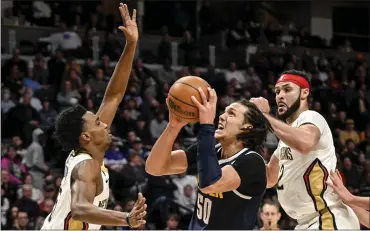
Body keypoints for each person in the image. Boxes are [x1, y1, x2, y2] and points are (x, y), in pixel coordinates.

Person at [41, 4, 146, 230]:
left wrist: (130, 45)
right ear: (86, 137)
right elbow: (79, 207)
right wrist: (126, 218)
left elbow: (113, 97)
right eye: (97, 122)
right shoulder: (86, 165)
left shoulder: (86, 152)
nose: (105, 123)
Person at [146, 87, 271, 229]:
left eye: (231, 114)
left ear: (246, 128)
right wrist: (173, 126)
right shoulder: (210, 150)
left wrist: (206, 125)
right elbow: (154, 167)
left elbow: (209, 184)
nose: (222, 116)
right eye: (224, 111)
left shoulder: (252, 162)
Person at [250, 70, 360, 229]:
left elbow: (304, 142)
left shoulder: (311, 117)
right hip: (306, 222)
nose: (280, 95)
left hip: (327, 217)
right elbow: (269, 178)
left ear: (304, 93)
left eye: (287, 89)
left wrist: (264, 115)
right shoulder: (286, 140)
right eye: (277, 91)